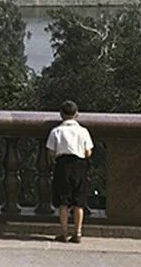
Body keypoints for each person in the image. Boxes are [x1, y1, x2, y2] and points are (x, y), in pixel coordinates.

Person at [46, 100, 94, 243]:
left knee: (63, 201)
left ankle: (64, 232)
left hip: (63, 165)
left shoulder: (56, 131)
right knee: (79, 201)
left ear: (61, 114)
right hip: (79, 165)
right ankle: (78, 232)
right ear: (77, 114)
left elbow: (50, 151)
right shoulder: (83, 131)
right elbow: (88, 152)